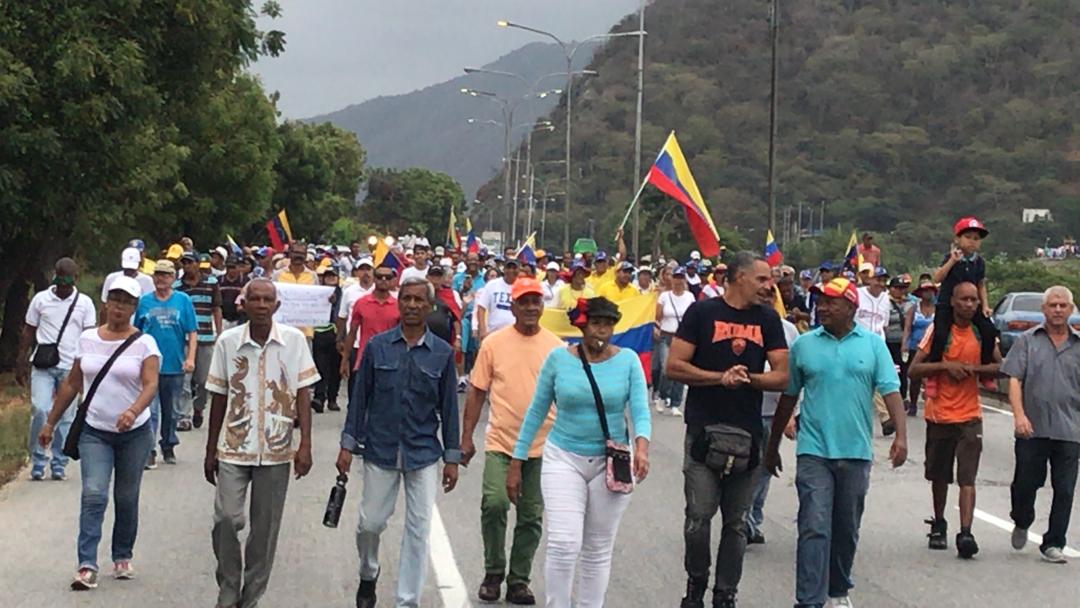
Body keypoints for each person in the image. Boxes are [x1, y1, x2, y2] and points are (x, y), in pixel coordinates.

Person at [765, 277, 907, 608]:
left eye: (831, 302)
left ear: (851, 308)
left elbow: (891, 390)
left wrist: (901, 435)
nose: (822, 308)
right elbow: (788, 397)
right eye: (820, 301)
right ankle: (809, 600)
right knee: (814, 525)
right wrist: (771, 447)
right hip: (814, 451)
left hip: (856, 452)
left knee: (846, 528)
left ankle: (839, 587)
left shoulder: (873, 345)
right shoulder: (804, 344)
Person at [507, 296, 651, 608]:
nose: (602, 330)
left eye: (608, 324)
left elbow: (640, 409)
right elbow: (536, 411)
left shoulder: (628, 361)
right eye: (596, 323)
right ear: (582, 326)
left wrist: (642, 446)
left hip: (610, 463)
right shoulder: (559, 360)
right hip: (563, 458)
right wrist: (517, 461)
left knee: (598, 547)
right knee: (564, 542)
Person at [666, 252, 789, 608]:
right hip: (704, 429)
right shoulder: (703, 313)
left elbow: (783, 374)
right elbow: (675, 366)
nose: (770, 286)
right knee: (699, 517)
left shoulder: (768, 319)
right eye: (763, 279)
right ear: (738, 278)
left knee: (737, 523)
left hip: (748, 433)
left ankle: (726, 593)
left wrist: (749, 378)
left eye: (771, 280)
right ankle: (696, 584)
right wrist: (719, 378)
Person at [338, 277, 460, 608]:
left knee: (419, 529)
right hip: (380, 448)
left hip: (422, 453)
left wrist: (452, 457)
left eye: (419, 300)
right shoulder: (377, 347)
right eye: (406, 299)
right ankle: (369, 571)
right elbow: (360, 400)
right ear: (398, 302)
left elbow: (449, 408)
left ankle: (407, 601)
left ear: (430, 307)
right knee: (370, 523)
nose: (411, 305)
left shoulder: (442, 353)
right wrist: (347, 444)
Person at [38, 276, 159, 590]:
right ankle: (87, 564)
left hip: (134, 432)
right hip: (95, 431)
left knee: (126, 497)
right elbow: (73, 384)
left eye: (127, 302)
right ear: (106, 302)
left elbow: (150, 385)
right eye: (115, 300)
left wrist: (132, 410)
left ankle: (121, 555)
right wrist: (50, 422)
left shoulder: (145, 343)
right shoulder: (88, 339)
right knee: (93, 494)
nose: (120, 307)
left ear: (134, 307)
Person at [203, 278, 317, 608]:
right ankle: (228, 587)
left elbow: (304, 393)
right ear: (245, 304)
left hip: (277, 448)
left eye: (269, 300)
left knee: (264, 532)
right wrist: (210, 450)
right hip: (233, 446)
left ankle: (250, 598)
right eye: (256, 299)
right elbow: (219, 396)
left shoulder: (294, 341)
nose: (262, 306)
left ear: (277, 306)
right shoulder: (228, 342)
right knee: (226, 518)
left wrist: (305, 443)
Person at [460, 277, 563, 604]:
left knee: (531, 515)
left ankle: (519, 579)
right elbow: (477, 391)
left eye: (536, 301)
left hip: (543, 445)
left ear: (542, 306)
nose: (531, 307)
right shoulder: (493, 343)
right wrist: (466, 437)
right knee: (494, 504)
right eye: (524, 302)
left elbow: (567, 396)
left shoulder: (557, 348)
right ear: (513, 306)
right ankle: (493, 572)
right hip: (501, 442)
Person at [908, 282, 1001, 558]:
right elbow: (914, 369)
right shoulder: (938, 331)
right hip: (939, 414)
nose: (970, 305)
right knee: (939, 474)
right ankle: (939, 523)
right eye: (964, 300)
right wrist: (945, 366)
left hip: (970, 414)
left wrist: (974, 370)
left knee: (967, 477)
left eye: (974, 300)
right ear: (952, 302)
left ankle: (966, 532)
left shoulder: (982, 331)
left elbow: (1002, 366)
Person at [1002, 285, 1080, 564]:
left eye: (1063, 305)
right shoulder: (1027, 340)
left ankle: (1054, 542)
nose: (1058, 310)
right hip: (1032, 428)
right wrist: (1019, 415)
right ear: (1044, 309)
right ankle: (1022, 520)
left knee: (1066, 488)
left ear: (1071, 310)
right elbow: (1014, 379)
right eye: (1053, 305)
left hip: (1070, 430)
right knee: (1025, 484)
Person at [17, 257, 97, 480]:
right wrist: (21, 359)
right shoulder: (41, 299)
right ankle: (38, 459)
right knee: (40, 410)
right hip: (43, 363)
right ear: (55, 277)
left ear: (75, 280)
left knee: (65, 418)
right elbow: (29, 330)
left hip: (71, 367)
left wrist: (87, 369)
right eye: (60, 282)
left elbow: (89, 337)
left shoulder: (85, 303)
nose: (63, 288)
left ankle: (59, 462)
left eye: (67, 283)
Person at [134, 260, 196, 467]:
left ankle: (168, 445)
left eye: (166, 275)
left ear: (173, 278)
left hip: (174, 363)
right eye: (158, 275)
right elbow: (136, 332)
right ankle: (148, 449)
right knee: (150, 410)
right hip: (149, 365)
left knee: (171, 412)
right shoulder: (144, 302)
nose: (161, 279)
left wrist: (190, 358)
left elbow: (192, 332)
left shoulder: (183, 300)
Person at [927, 217, 998, 394]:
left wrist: (985, 306)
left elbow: (981, 284)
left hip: (971, 305)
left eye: (976, 238)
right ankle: (933, 375)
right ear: (957, 239)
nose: (973, 241)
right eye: (968, 237)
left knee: (989, 331)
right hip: (947, 304)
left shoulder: (979, 262)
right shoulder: (951, 257)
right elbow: (937, 278)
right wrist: (952, 260)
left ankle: (985, 372)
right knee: (940, 334)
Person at [746, 317, 800, 546]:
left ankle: (753, 519)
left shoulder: (788, 330)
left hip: (772, 412)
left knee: (765, 468)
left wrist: (789, 414)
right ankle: (743, 520)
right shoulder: (742, 324)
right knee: (747, 467)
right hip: (744, 408)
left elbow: (794, 375)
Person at [176, 251, 222, 431]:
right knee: (184, 380)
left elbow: (216, 309)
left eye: (190, 262)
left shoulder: (211, 283)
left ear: (197, 264)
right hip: (185, 339)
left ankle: (198, 407)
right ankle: (183, 415)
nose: (187, 266)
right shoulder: (178, 286)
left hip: (206, 337)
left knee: (204, 380)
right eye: (184, 263)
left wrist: (219, 332)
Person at [340, 265, 400, 381]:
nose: (383, 280)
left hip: (390, 361)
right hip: (364, 360)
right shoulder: (361, 303)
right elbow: (352, 333)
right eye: (379, 276)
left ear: (393, 280)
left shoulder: (398, 306)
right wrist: (345, 360)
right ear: (374, 279)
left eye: (388, 277)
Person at [653, 266, 695, 416]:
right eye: (676, 277)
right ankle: (662, 396)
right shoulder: (665, 296)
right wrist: (656, 328)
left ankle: (675, 403)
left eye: (681, 278)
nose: (678, 281)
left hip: (683, 337)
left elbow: (693, 316)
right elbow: (657, 315)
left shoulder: (690, 297)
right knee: (666, 368)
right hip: (667, 335)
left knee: (681, 369)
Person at [272, 242, 320, 343]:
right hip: (281, 329)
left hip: (305, 331)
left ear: (306, 255)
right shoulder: (278, 275)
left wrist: (327, 300)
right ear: (289, 253)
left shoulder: (313, 276)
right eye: (296, 252)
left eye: (302, 253)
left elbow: (318, 300)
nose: (299, 256)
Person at [312, 264, 344, 413]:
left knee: (335, 369)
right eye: (328, 276)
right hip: (320, 333)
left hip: (337, 334)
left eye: (333, 276)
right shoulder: (317, 293)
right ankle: (319, 397)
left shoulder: (343, 294)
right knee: (320, 367)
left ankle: (332, 399)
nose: (330, 278)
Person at [905, 280, 937, 415]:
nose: (928, 293)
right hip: (915, 346)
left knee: (932, 376)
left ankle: (931, 404)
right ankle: (913, 404)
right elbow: (907, 327)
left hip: (932, 346)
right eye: (925, 290)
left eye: (930, 290)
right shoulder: (913, 309)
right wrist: (904, 344)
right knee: (915, 377)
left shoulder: (938, 309)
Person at [100, 248, 154, 322]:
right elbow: (104, 307)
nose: (129, 271)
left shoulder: (147, 281)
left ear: (139, 263)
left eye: (132, 269)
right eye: (127, 268)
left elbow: (150, 306)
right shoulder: (111, 278)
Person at [885, 276, 914, 407]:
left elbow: (908, 325)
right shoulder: (885, 302)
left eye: (902, 288)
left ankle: (902, 396)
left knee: (902, 369)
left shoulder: (909, 304)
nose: (899, 291)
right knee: (887, 369)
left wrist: (905, 343)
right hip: (886, 340)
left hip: (900, 341)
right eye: (896, 288)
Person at [477, 257, 519, 341]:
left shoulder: (522, 286)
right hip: (493, 333)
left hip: (515, 335)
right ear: (504, 269)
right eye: (508, 267)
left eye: (514, 268)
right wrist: (482, 330)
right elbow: (481, 307)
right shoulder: (492, 285)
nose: (511, 270)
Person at [218, 255, 249, 331]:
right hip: (223, 318)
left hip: (239, 319)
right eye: (229, 267)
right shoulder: (219, 280)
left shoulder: (245, 281)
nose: (232, 270)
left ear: (239, 267)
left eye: (234, 267)